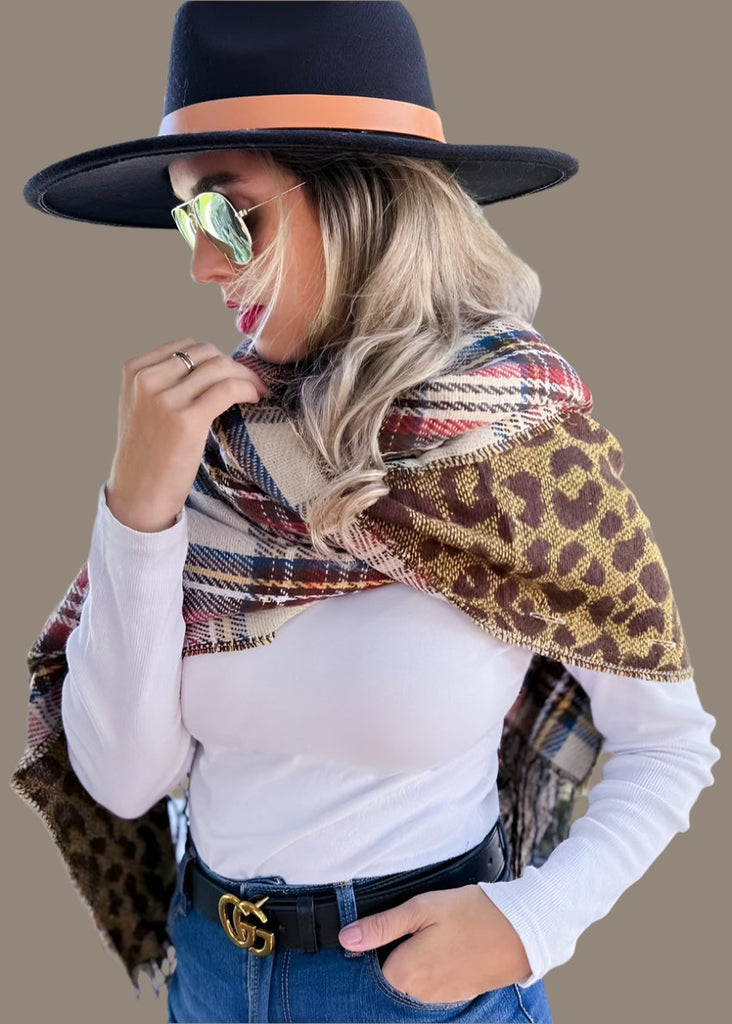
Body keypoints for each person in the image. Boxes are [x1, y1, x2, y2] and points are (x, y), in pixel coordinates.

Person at [11, 3, 719, 1023]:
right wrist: (138, 509)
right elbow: (125, 782)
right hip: (207, 973)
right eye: (186, 221)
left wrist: (531, 923)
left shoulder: (520, 454)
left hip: (417, 991)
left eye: (227, 214)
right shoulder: (213, 448)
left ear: (362, 204)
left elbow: (669, 744)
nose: (202, 265)